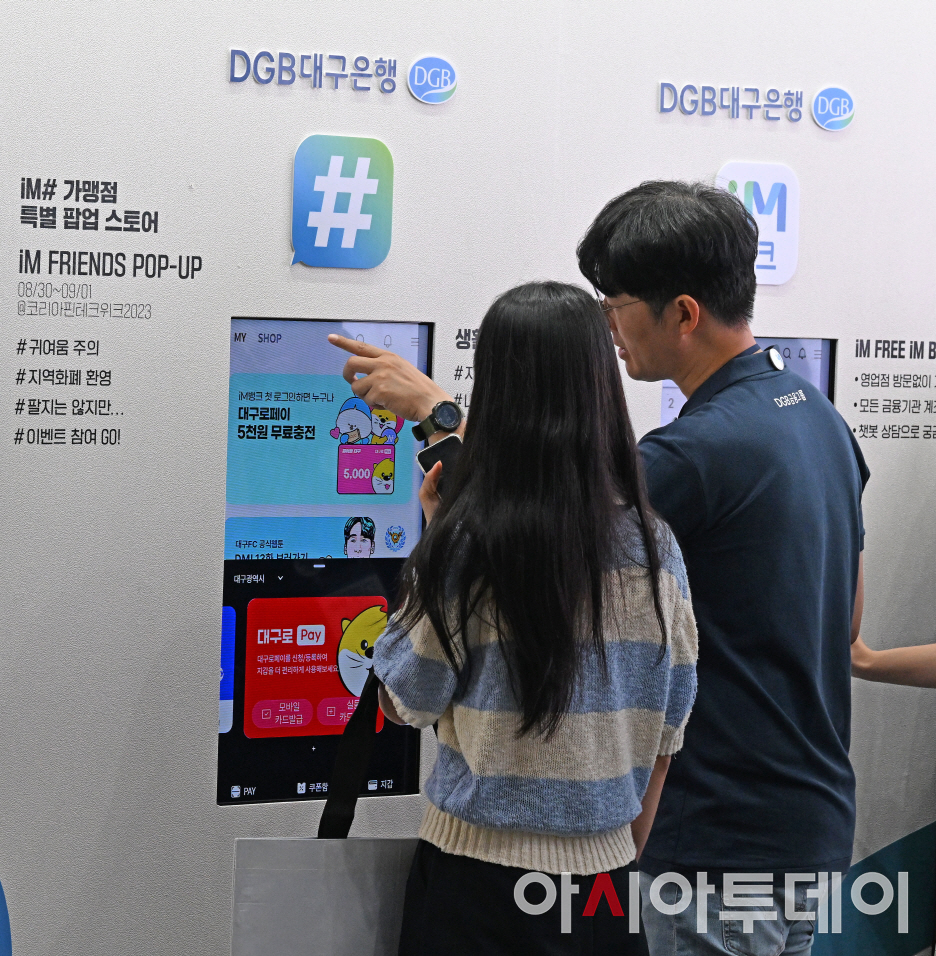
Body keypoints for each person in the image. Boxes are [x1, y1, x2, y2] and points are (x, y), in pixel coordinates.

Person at [336, 181, 868, 956]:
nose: (612, 328)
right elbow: (847, 625)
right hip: (809, 827)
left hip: (710, 838)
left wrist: (442, 424)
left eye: (616, 303)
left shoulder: (690, 458)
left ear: (682, 313)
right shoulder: (818, 419)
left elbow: (543, 513)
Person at [373, 281, 698, 955]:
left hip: (473, 892)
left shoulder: (468, 544)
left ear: (495, 392)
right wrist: (611, 856)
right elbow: (667, 734)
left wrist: (435, 543)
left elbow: (404, 700)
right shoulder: (656, 547)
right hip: (605, 894)